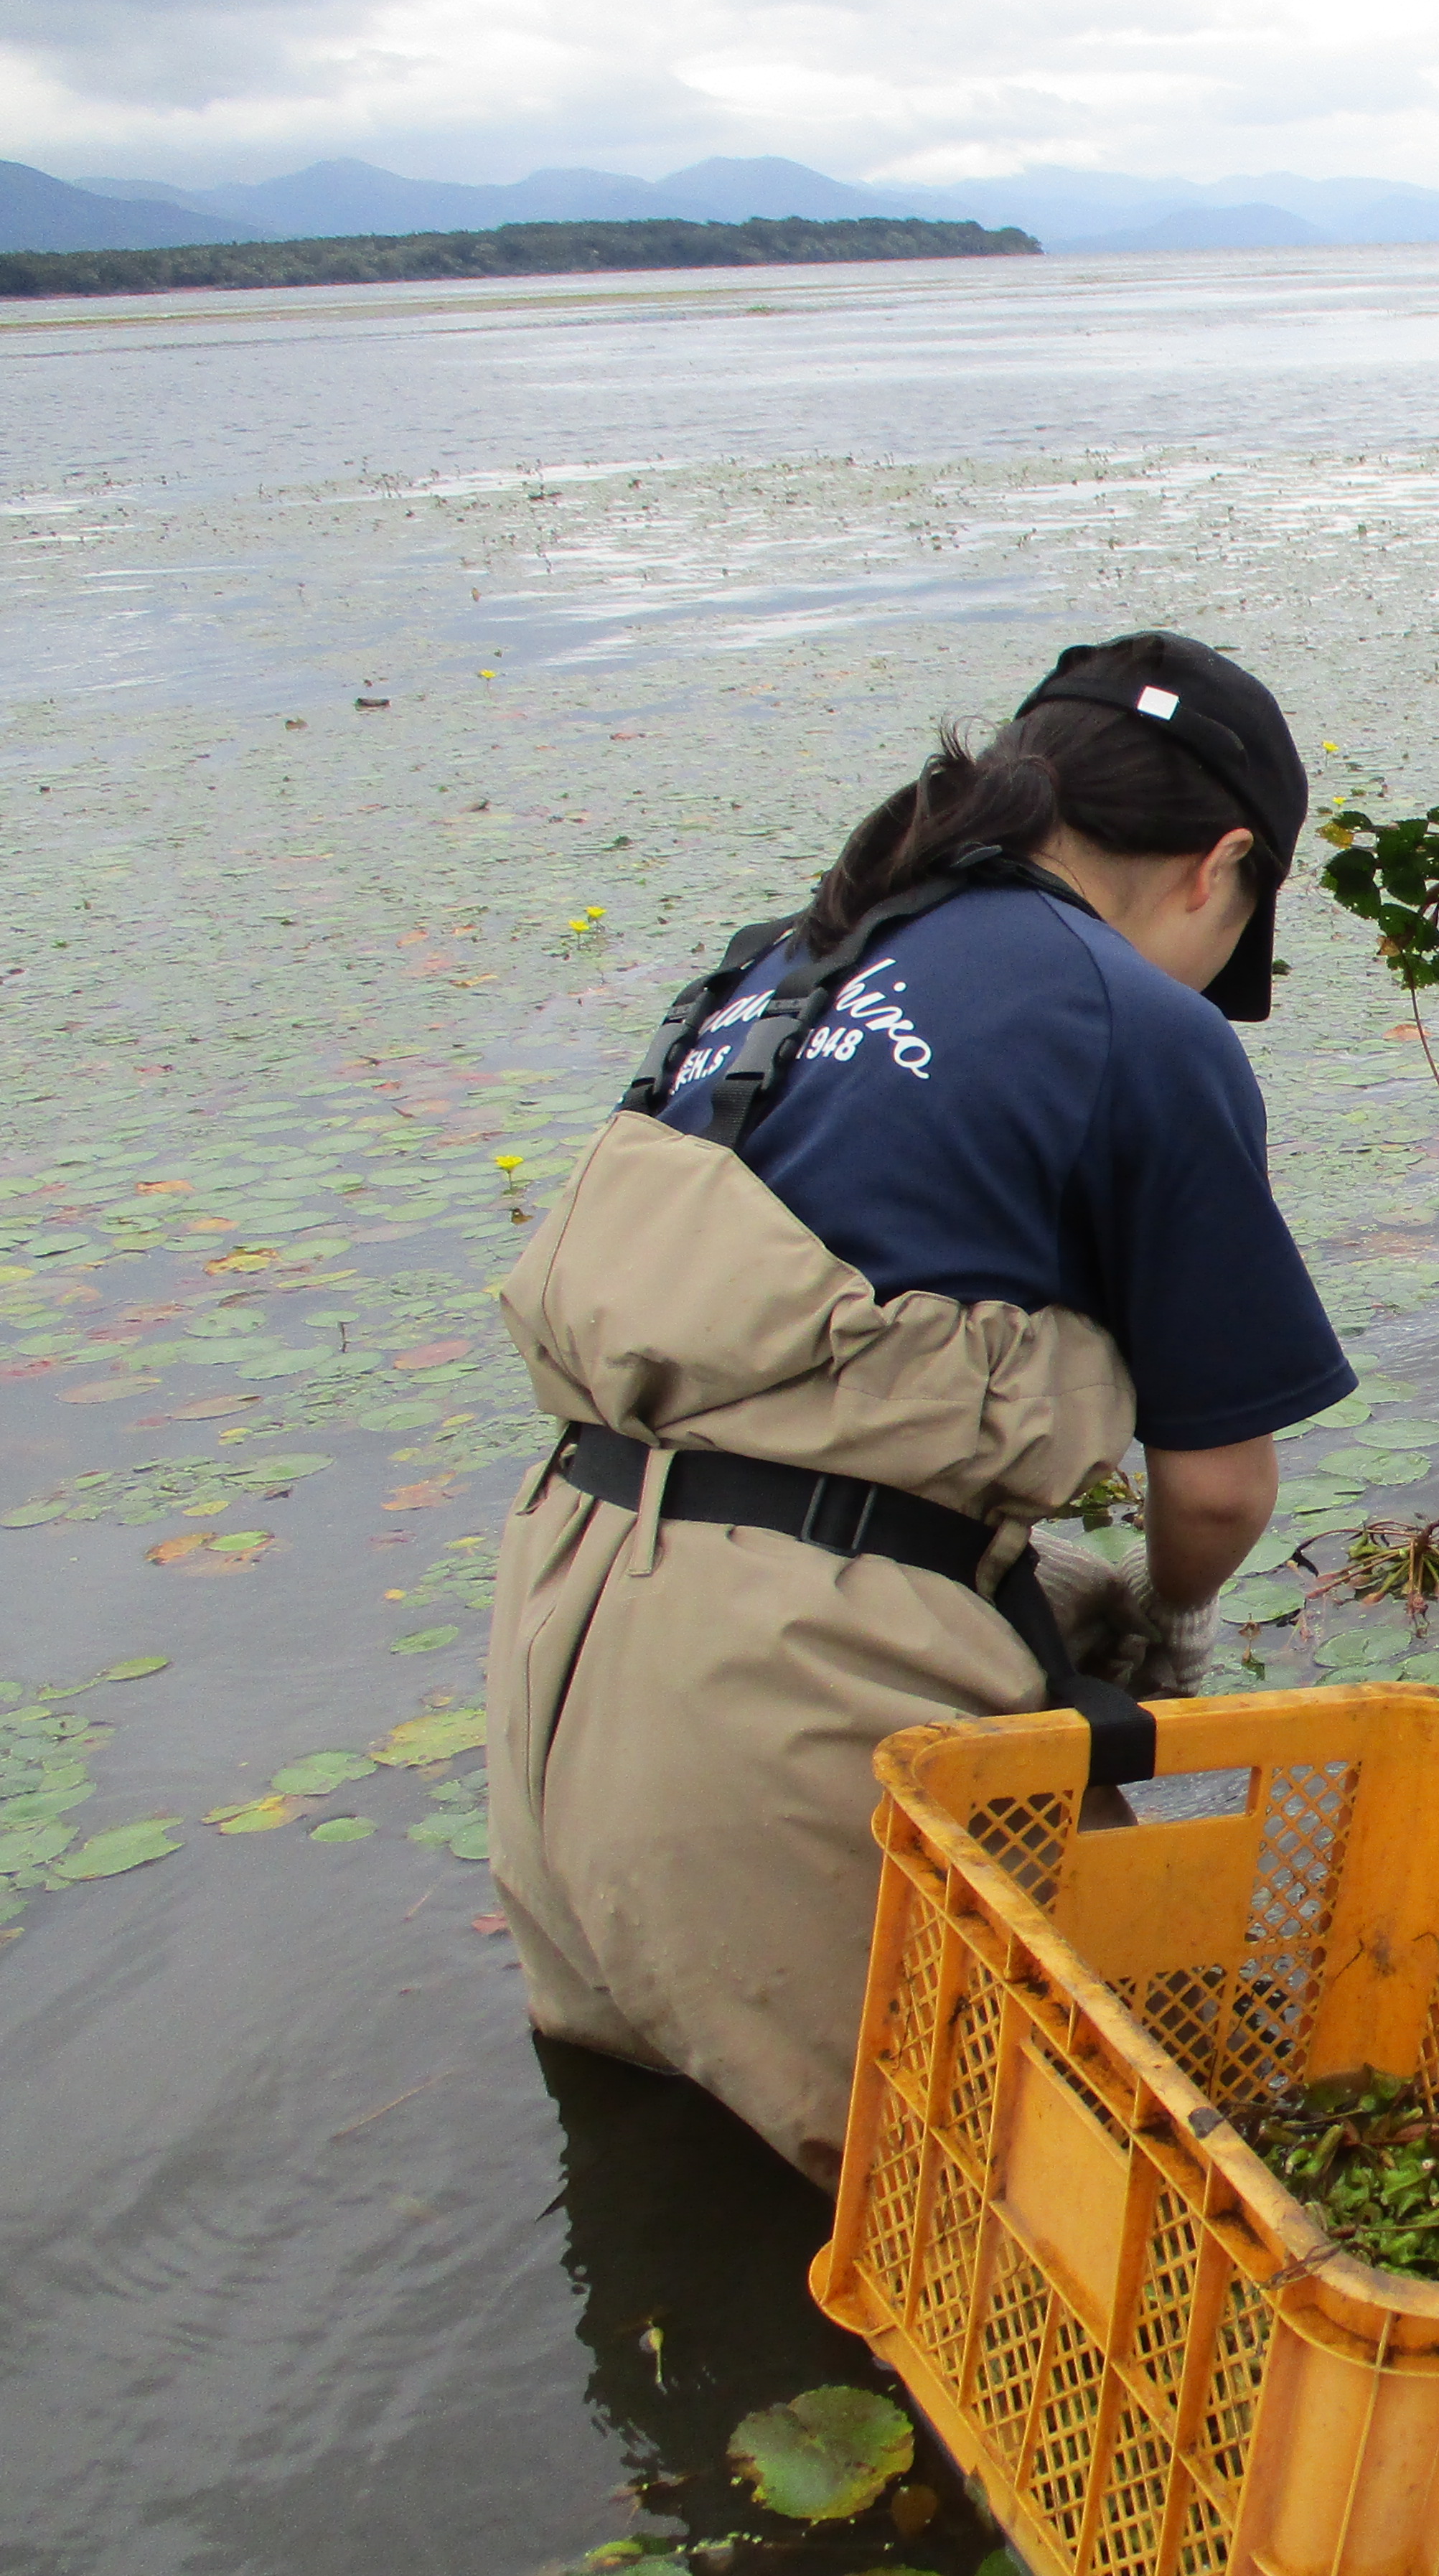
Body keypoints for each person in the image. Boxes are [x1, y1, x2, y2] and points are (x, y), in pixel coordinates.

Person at [482, 633, 1354, 2183]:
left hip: (560, 1663)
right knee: (997, 2222)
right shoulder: (1134, 1025)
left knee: (667, 2201)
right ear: (1223, 866)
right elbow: (1216, 1490)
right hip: (780, 1734)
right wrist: (1169, 1620)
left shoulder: (775, 959)